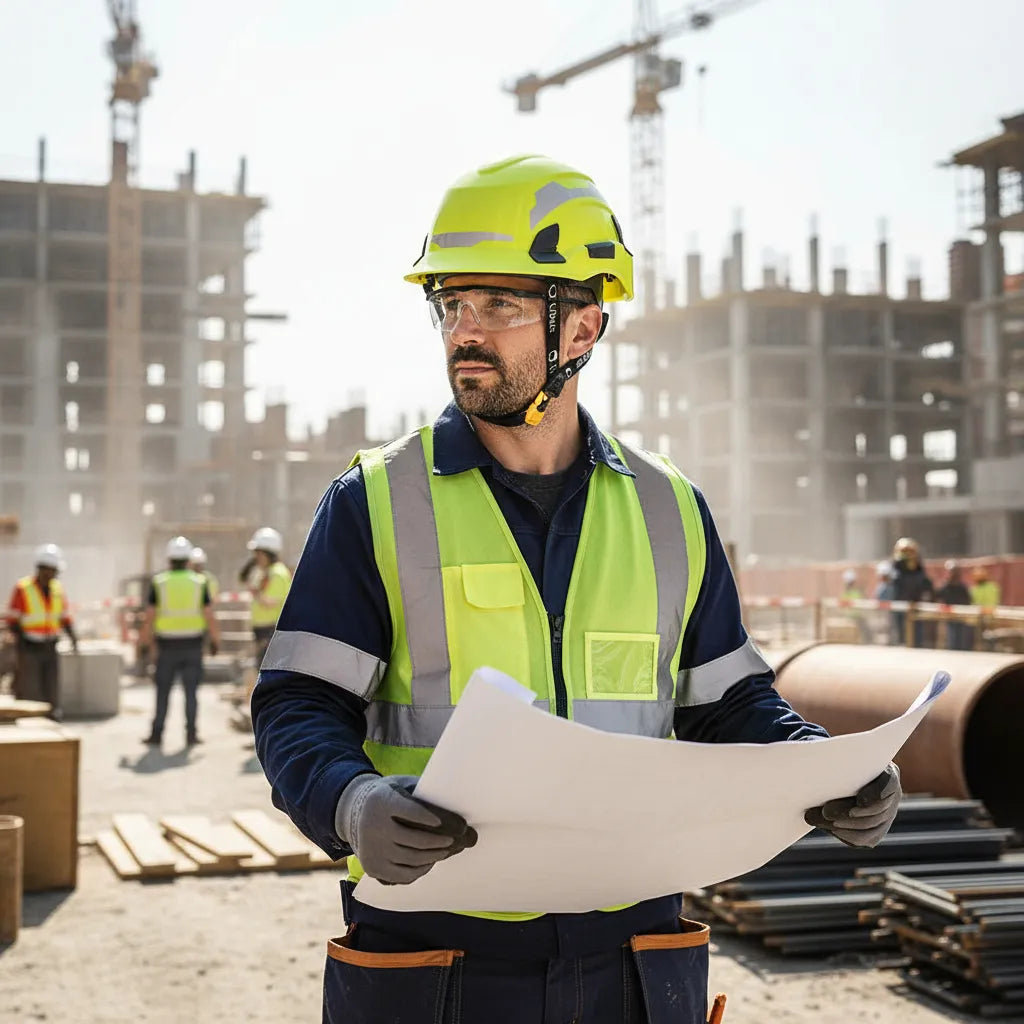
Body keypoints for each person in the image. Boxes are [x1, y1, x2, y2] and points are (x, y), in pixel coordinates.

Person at [250, 155, 902, 1024]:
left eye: (500, 305)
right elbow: (297, 701)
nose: (465, 332)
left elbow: (727, 702)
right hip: (439, 952)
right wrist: (350, 799)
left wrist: (825, 769)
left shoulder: (670, 508)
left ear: (584, 329)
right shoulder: (374, 500)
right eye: (451, 304)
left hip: (634, 953)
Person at [139, 536, 220, 747]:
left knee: (162, 692)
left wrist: (144, 643)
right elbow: (209, 614)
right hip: (193, 645)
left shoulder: (159, 582)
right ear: (188, 560)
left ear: (169, 559)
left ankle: (157, 735)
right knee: (191, 693)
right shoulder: (199, 582)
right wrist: (215, 640)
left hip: (167, 646)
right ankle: (191, 735)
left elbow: (149, 616)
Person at [5, 544, 77, 719]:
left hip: (50, 645)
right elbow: (13, 620)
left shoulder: (57, 589)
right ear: (42, 568)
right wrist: (20, 645)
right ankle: (29, 721)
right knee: (29, 687)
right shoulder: (23, 588)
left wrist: (73, 637)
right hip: (29, 646)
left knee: (51, 686)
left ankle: (52, 718)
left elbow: (64, 617)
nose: (54, 574)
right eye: (52, 570)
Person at [240, 526, 291, 670]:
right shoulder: (268, 572)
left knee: (267, 669)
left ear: (268, 553)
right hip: (263, 631)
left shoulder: (277, 573)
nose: (256, 558)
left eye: (258, 553)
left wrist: (254, 591)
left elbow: (270, 602)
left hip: (270, 631)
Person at [890, 537, 933, 648]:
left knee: (917, 634)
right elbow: (895, 585)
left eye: (910, 552)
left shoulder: (919, 571)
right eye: (905, 552)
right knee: (901, 634)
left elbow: (926, 586)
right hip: (901, 607)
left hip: (915, 606)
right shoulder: (896, 571)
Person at [935, 560, 972, 650]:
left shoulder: (962, 588)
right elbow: (937, 597)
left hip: (961, 617)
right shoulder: (945, 587)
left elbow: (968, 601)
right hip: (949, 617)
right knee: (952, 638)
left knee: (962, 639)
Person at [840, 569, 870, 643]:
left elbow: (863, 602)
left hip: (857, 618)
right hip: (849, 618)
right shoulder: (845, 593)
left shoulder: (856, 592)